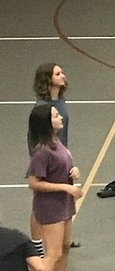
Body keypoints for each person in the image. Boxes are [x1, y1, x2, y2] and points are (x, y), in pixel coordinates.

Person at [26, 106, 83, 271]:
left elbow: (64, 163)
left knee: (65, 246)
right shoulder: (41, 151)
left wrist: (73, 169)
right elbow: (33, 183)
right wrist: (65, 188)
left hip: (64, 204)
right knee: (53, 253)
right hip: (50, 207)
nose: (60, 116)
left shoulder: (57, 143)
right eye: (55, 115)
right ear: (46, 122)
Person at [31, 63, 81, 249]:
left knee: (64, 198)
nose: (63, 76)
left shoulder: (60, 100)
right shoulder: (43, 108)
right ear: (48, 79)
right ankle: (37, 244)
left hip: (61, 154)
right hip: (49, 157)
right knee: (40, 204)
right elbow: (35, 136)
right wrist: (40, 161)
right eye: (58, 73)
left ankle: (63, 237)